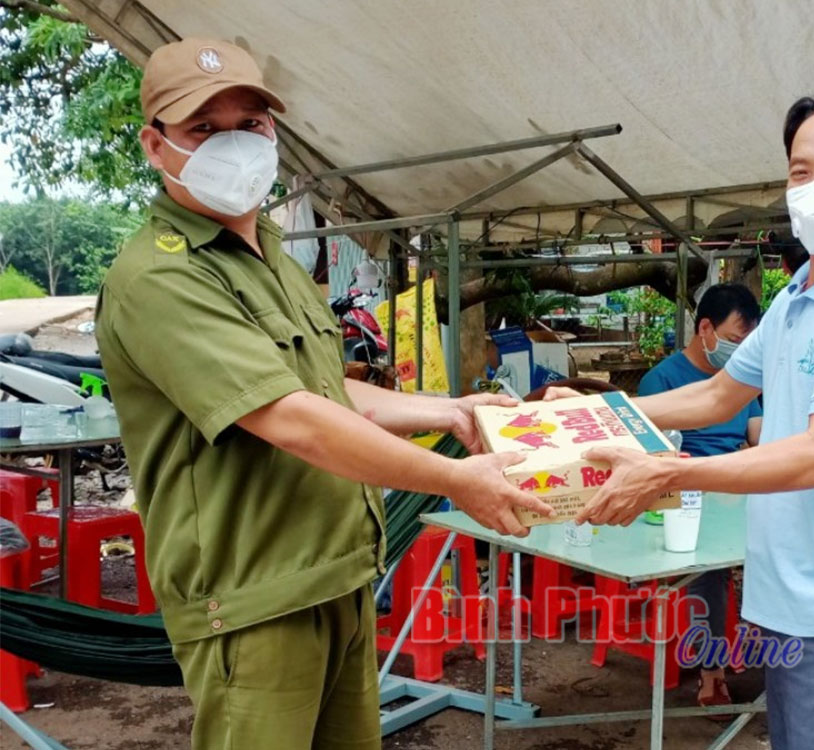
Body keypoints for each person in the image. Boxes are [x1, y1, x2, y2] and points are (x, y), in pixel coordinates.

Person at [95, 38, 549, 750]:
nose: (234, 145)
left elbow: (327, 392)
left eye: (251, 124)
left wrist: (453, 412)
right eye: (203, 130)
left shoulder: (268, 250)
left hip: (336, 574)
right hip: (255, 598)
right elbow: (293, 420)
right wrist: (454, 478)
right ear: (156, 148)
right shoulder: (159, 277)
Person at [549, 86, 814, 750]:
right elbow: (718, 395)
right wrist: (602, 412)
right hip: (786, 590)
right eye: (799, 172)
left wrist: (669, 472)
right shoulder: (796, 298)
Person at [637, 282, 762, 713]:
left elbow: (759, 439)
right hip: (685, 495)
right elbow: (653, 455)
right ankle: (712, 669)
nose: (739, 352)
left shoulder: (742, 383)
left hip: (737, 487)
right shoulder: (662, 381)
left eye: (747, 345)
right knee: (708, 563)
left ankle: (763, 645)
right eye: (732, 341)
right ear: (704, 329)